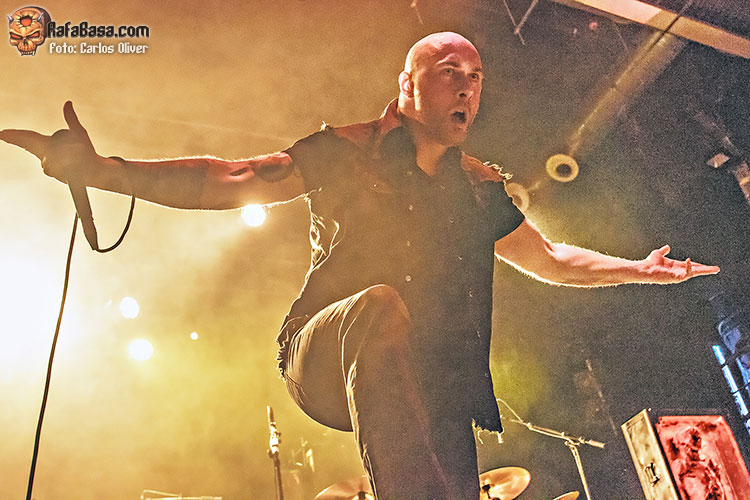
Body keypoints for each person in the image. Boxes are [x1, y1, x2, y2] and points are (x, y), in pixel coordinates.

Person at [0, 32, 719, 499]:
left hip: (431, 384)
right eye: (448, 72)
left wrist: (637, 269)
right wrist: (105, 171)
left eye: (475, 76)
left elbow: (553, 258)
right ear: (406, 85)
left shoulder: (479, 188)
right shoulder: (347, 150)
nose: (467, 87)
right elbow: (234, 176)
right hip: (323, 352)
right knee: (379, 305)